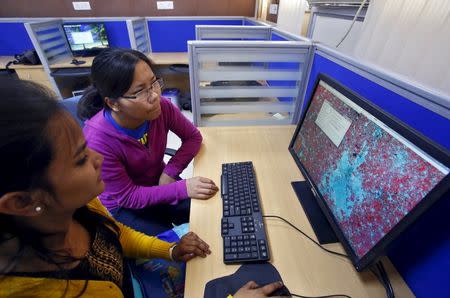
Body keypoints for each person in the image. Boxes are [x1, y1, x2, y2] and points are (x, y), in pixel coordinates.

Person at [0, 78, 211, 297]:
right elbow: (129, 198)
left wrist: (170, 250)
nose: (98, 158)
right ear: (22, 202)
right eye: (81, 158)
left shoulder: (82, 204)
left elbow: (115, 235)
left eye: (154, 83)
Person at [77, 48, 219, 235]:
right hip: (125, 206)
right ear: (114, 103)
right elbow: (128, 196)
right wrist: (181, 188)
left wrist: (170, 172)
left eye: (154, 83)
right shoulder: (97, 141)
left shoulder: (162, 108)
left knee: (214, 211)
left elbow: (193, 137)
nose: (155, 96)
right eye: (140, 91)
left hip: (158, 183)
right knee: (174, 247)